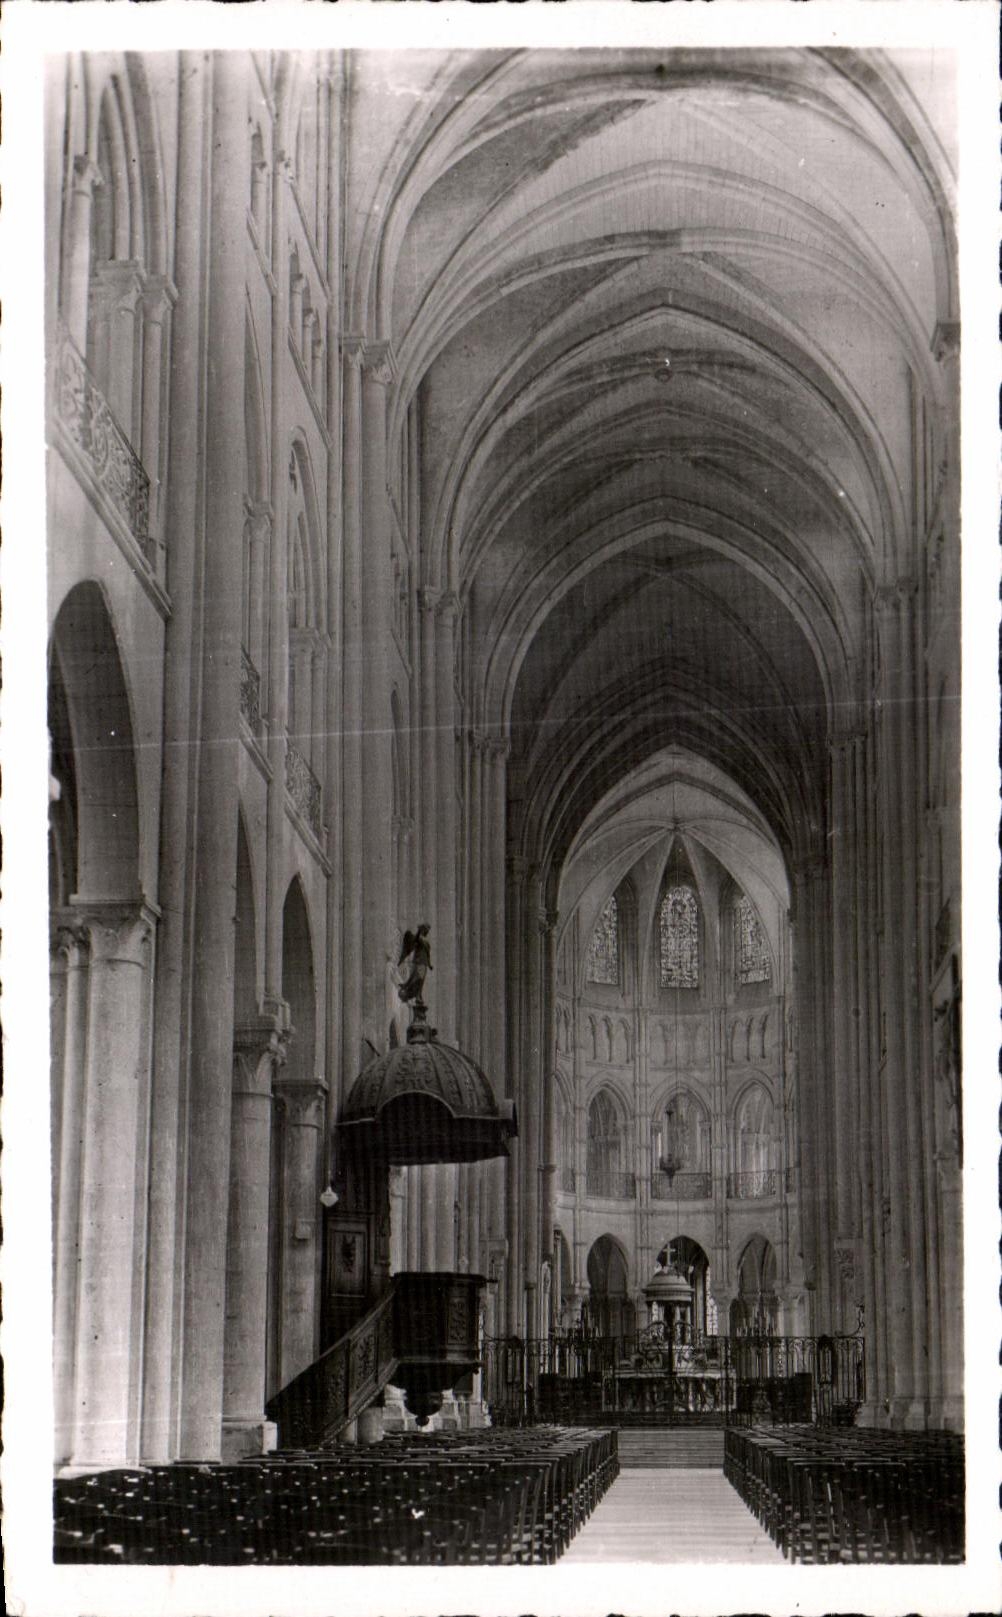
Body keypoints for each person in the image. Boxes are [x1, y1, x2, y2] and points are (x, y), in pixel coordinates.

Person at [397, 923, 432, 1003]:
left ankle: (418, 994)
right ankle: (409, 990)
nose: (427, 932)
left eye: (427, 931)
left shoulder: (426, 943)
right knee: (417, 977)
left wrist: (429, 965)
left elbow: (428, 954)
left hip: (424, 963)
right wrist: (418, 931)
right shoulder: (419, 938)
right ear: (423, 930)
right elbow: (415, 940)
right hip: (418, 962)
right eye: (426, 930)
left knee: (421, 980)